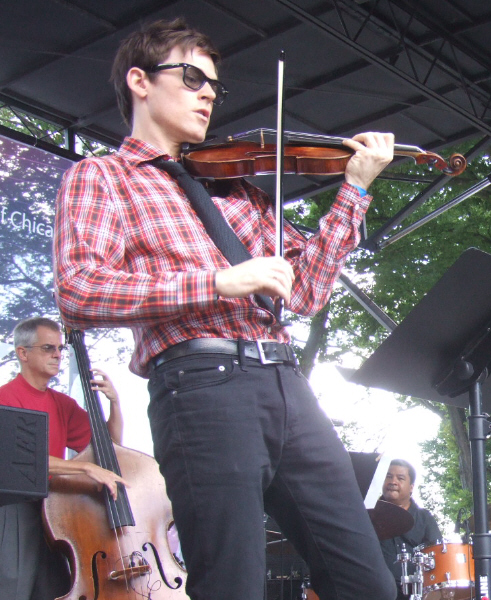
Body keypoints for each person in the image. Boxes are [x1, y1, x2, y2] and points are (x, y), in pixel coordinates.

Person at [53, 18, 397, 600]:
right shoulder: (102, 177)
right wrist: (216, 282)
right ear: (140, 80)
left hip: (287, 383)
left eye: (214, 85)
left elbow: (306, 292)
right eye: (191, 78)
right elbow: (79, 291)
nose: (208, 93)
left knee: (368, 583)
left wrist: (355, 191)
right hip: (201, 386)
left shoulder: (239, 188)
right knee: (233, 584)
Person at [0, 317, 125, 600]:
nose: (57, 354)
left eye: (59, 349)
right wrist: (84, 466)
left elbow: (111, 446)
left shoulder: (62, 404)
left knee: (54, 591)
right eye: (48, 348)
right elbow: (18, 460)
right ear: (23, 353)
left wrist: (114, 403)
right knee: (12, 589)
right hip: (15, 509)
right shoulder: (4, 398)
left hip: (54, 512)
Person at [378, 459, 442, 600]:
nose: (393, 481)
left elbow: (437, 556)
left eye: (400, 478)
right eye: (388, 476)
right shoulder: (368, 514)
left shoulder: (424, 518)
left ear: (411, 486)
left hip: (415, 594)